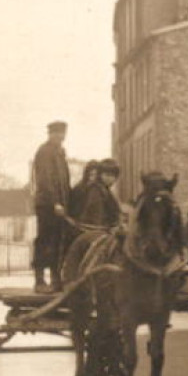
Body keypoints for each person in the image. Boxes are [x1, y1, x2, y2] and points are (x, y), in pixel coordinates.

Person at [31, 120, 72, 294]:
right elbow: (45, 179)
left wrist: (67, 203)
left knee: (57, 241)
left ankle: (55, 279)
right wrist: (55, 202)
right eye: (57, 134)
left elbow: (65, 182)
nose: (60, 137)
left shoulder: (60, 153)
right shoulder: (44, 152)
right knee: (44, 240)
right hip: (47, 205)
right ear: (50, 134)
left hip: (60, 206)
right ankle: (39, 280)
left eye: (62, 134)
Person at [75, 158, 123, 230]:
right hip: (95, 231)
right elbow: (96, 217)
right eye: (107, 175)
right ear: (100, 175)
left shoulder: (105, 190)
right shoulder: (96, 190)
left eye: (113, 176)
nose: (109, 178)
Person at [67, 160, 102, 225]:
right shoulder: (79, 188)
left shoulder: (98, 188)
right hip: (79, 223)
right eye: (91, 175)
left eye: (95, 175)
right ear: (86, 174)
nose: (93, 179)